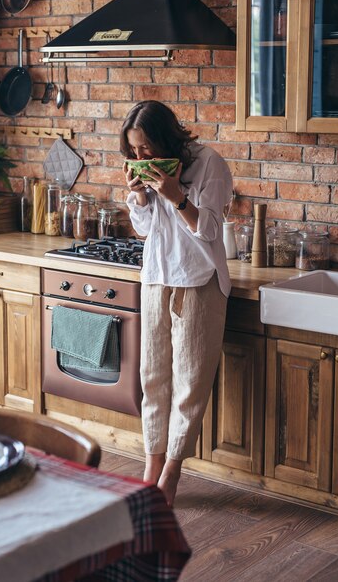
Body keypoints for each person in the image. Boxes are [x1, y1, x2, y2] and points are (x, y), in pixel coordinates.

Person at [121, 100, 233, 507]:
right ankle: (150, 467)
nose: (140, 158)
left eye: (146, 150)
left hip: (198, 281)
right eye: (134, 152)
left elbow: (210, 232)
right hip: (156, 278)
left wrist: (175, 196)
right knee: (152, 380)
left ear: (166, 139)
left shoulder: (209, 165)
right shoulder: (146, 172)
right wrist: (142, 198)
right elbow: (146, 230)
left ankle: (171, 473)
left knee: (189, 385)